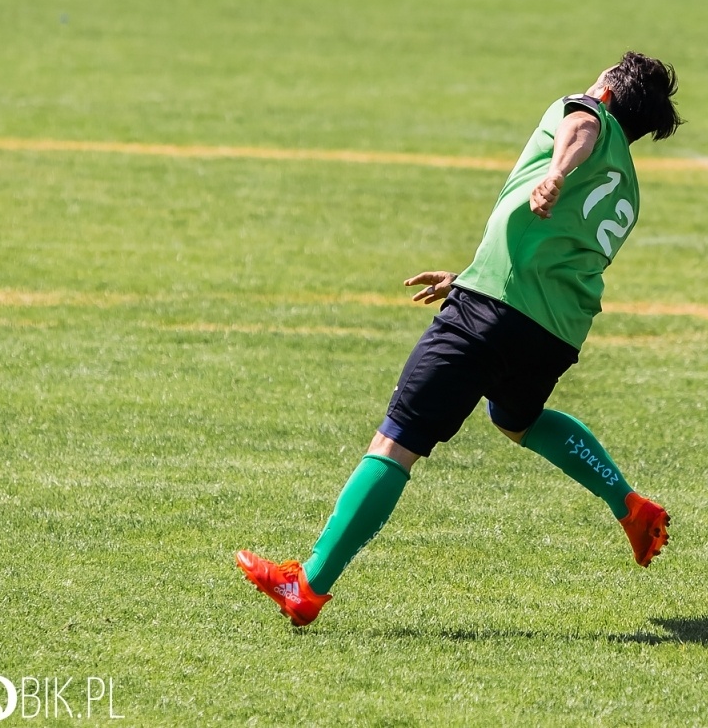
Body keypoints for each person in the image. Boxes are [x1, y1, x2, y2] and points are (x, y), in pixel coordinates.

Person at [236, 53, 683, 626]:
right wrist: (468, 278)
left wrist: (555, 174)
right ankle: (629, 505)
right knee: (517, 418)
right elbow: (553, 247)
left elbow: (582, 126)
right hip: (552, 333)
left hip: (491, 313)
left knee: (396, 441)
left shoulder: (587, 114)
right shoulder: (627, 188)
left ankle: (308, 586)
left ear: (609, 88)